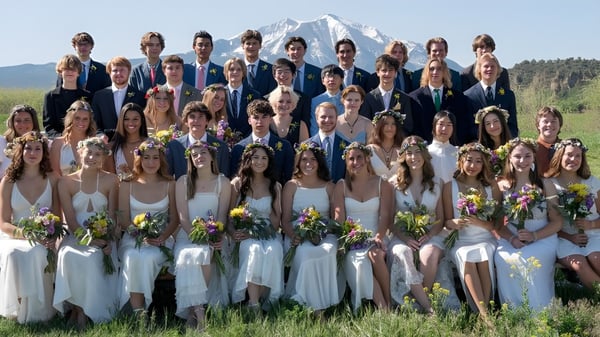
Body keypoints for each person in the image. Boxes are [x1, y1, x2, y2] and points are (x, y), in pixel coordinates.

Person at [53, 137, 119, 328]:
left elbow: (113, 216)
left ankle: (89, 310)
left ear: (103, 158)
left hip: (104, 237)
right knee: (67, 255)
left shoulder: (111, 180)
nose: (92, 157)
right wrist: (88, 239)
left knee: (92, 259)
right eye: (89, 152)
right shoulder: (66, 182)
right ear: (80, 153)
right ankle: (77, 309)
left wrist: (106, 239)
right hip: (76, 236)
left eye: (98, 154)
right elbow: (71, 220)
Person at [495, 138, 561, 311]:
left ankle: (541, 312)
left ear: (533, 158)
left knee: (532, 261)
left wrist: (534, 235)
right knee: (505, 260)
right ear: (509, 158)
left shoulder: (545, 185)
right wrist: (511, 239)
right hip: (511, 237)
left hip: (542, 237)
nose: (522, 161)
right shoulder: (501, 186)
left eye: (527, 156)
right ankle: (514, 311)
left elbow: (557, 221)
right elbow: (497, 224)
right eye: (517, 156)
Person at [0, 131, 59, 323]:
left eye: (37, 148)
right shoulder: (9, 180)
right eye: (28, 148)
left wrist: (50, 234)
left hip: (45, 234)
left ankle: (41, 311)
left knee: (38, 253)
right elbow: (3, 222)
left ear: (44, 153)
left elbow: (57, 216)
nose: (32, 153)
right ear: (20, 150)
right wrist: (25, 233)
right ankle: (16, 308)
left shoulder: (52, 179)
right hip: (15, 234)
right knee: (13, 254)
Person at [117, 138, 178, 317]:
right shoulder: (127, 184)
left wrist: (162, 237)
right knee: (133, 256)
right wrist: (137, 234)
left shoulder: (170, 184)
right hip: (133, 238)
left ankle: (146, 305)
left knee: (149, 257)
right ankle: (138, 311)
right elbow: (123, 218)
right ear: (139, 160)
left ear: (161, 160)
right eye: (146, 158)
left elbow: (174, 219)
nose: (151, 162)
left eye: (155, 158)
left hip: (161, 239)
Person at [174, 141, 230, 330]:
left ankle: (193, 313)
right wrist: (196, 235)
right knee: (188, 255)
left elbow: (222, 215)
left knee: (205, 253)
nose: (200, 157)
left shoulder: (223, 182)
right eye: (195, 154)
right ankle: (200, 313)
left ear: (212, 156)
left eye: (204, 152)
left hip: (213, 235)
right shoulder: (183, 181)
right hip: (187, 235)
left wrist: (215, 234)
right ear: (190, 158)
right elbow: (182, 217)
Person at [388, 137, 447, 313]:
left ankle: (421, 299)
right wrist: (405, 238)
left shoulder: (437, 183)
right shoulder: (393, 184)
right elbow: (390, 220)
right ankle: (428, 308)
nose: (414, 157)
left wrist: (429, 235)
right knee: (403, 252)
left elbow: (441, 219)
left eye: (418, 152)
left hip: (431, 233)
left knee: (428, 254)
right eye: (409, 153)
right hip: (401, 234)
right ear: (404, 157)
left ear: (425, 155)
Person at [442, 142, 501, 318]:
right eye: (469, 160)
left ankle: (484, 312)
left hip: (485, 238)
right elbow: (445, 221)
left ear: (484, 164)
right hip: (460, 240)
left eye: (478, 161)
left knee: (483, 253)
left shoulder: (492, 187)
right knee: (467, 256)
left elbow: (497, 224)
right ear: (461, 161)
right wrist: (453, 222)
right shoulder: (448, 186)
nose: (473, 166)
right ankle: (485, 314)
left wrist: (480, 223)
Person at [333, 142, 393, 311]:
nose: (356, 161)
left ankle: (389, 301)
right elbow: (339, 219)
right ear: (346, 162)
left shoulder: (382, 183)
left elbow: (385, 215)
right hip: (353, 239)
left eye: (359, 157)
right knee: (358, 260)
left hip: (377, 235)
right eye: (351, 158)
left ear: (367, 158)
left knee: (376, 254)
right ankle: (383, 307)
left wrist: (379, 236)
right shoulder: (341, 185)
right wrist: (347, 239)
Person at [282, 142, 340, 313]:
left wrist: (321, 233)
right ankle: (317, 309)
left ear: (319, 161)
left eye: (313, 159)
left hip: (324, 235)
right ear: (298, 162)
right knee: (307, 254)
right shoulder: (291, 186)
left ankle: (319, 302)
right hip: (297, 236)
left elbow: (333, 219)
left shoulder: (329, 186)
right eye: (304, 159)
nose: (308, 163)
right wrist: (294, 236)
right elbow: (285, 221)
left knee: (328, 251)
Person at [230, 143, 284, 310]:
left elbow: (276, 222)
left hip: (267, 232)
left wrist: (260, 232)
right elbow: (229, 214)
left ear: (269, 161)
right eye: (255, 157)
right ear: (248, 159)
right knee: (253, 250)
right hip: (244, 232)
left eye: (264, 158)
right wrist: (233, 232)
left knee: (273, 249)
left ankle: (259, 300)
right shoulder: (238, 184)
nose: (259, 162)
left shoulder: (274, 186)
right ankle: (254, 304)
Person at [545, 138, 600, 290]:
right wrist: (570, 237)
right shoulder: (550, 184)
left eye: (578, 156)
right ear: (560, 156)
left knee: (596, 259)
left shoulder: (591, 182)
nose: (573, 159)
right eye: (569, 155)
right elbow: (548, 221)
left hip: (594, 233)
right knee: (579, 264)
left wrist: (591, 224)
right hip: (564, 237)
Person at [230, 100, 294, 185]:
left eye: (264, 117)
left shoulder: (285, 146)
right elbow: (235, 176)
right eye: (256, 117)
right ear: (249, 120)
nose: (260, 121)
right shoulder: (239, 148)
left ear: (271, 119)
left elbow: (288, 176)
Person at [409, 58, 469, 144]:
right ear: (426, 72)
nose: (435, 72)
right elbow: (414, 127)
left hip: (451, 147)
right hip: (424, 148)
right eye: (432, 69)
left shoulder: (458, 98)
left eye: (439, 69)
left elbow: (462, 125)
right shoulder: (415, 97)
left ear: (445, 72)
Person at [166, 101, 229, 179]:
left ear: (207, 121)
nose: (196, 120)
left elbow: (224, 177)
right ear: (186, 122)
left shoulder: (221, 147)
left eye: (201, 116)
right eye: (192, 117)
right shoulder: (174, 146)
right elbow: (168, 177)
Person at [464, 53, 518, 141]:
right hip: (479, 145)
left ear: (498, 70)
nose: (489, 69)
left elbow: (513, 126)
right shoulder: (468, 96)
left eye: (493, 66)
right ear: (479, 70)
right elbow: (468, 127)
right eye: (486, 66)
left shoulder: (508, 95)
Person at [92, 56, 146, 140]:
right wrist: (100, 135)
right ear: (109, 73)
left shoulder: (140, 96)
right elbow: (95, 122)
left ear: (128, 72)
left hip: (132, 143)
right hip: (107, 144)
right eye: (115, 70)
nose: (118, 73)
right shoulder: (99, 96)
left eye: (122, 70)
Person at [359, 54, 414, 136]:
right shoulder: (368, 98)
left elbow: (408, 126)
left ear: (395, 73)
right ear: (377, 72)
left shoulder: (404, 98)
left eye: (391, 70)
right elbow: (364, 124)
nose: (387, 74)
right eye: (384, 70)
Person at [43, 54, 90, 138]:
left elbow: (91, 122)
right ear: (60, 72)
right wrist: (62, 138)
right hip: (59, 140)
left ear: (78, 72)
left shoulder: (87, 96)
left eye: (73, 69)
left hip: (83, 140)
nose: (70, 72)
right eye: (66, 69)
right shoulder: (50, 96)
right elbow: (48, 126)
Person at [49, 100, 97, 176]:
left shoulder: (95, 144)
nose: (81, 122)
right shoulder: (58, 144)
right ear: (70, 119)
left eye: (85, 119)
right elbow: (55, 175)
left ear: (90, 121)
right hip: (63, 186)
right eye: (77, 118)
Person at [104, 103, 148, 181]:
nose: (131, 123)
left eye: (135, 119)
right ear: (121, 121)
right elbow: (110, 180)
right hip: (120, 192)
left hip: (145, 191)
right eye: (126, 119)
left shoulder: (150, 144)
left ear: (142, 121)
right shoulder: (111, 147)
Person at [57, 32, 110, 96]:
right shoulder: (65, 68)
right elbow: (59, 91)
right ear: (74, 46)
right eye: (79, 44)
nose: (83, 47)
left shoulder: (102, 69)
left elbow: (106, 92)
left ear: (92, 46)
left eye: (86, 44)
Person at [305, 102, 347, 182]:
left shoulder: (347, 146)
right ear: (317, 119)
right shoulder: (305, 146)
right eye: (323, 117)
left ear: (336, 118)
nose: (327, 120)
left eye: (331, 117)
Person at [270, 58, 311, 133]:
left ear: (294, 75)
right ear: (274, 75)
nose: (283, 75)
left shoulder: (304, 98)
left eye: (287, 71)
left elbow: (306, 121)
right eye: (279, 72)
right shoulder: (266, 98)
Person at [224, 57, 262, 138]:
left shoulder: (255, 95)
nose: (235, 72)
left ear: (243, 72)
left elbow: (258, 118)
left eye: (239, 69)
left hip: (248, 140)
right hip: (223, 139)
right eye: (231, 69)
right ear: (226, 72)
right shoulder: (219, 94)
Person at [0, 104, 40, 177]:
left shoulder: (42, 144)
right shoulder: (2, 142)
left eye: (27, 120)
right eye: (18, 121)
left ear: (34, 122)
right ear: (12, 123)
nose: (23, 124)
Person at [366, 110, 405, 180]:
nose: (390, 128)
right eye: (386, 124)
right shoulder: (369, 150)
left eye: (393, 124)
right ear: (379, 126)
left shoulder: (403, 150)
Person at [310, 65, 345, 136]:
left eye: (335, 77)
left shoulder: (347, 99)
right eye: (328, 76)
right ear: (323, 81)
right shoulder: (315, 101)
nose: (331, 79)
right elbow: (314, 126)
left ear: (341, 80)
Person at [240, 30, 277, 96]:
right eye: (248, 43)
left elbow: (273, 93)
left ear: (260, 45)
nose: (251, 46)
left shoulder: (270, 69)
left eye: (254, 43)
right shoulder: (236, 69)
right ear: (242, 46)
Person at [427, 111, 458, 183]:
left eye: (449, 125)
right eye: (441, 124)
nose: (444, 129)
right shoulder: (426, 152)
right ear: (434, 126)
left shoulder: (458, 153)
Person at [535, 106, 563, 176]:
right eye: (545, 121)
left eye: (553, 121)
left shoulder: (567, 147)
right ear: (538, 125)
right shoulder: (531, 148)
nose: (549, 124)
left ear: (560, 125)